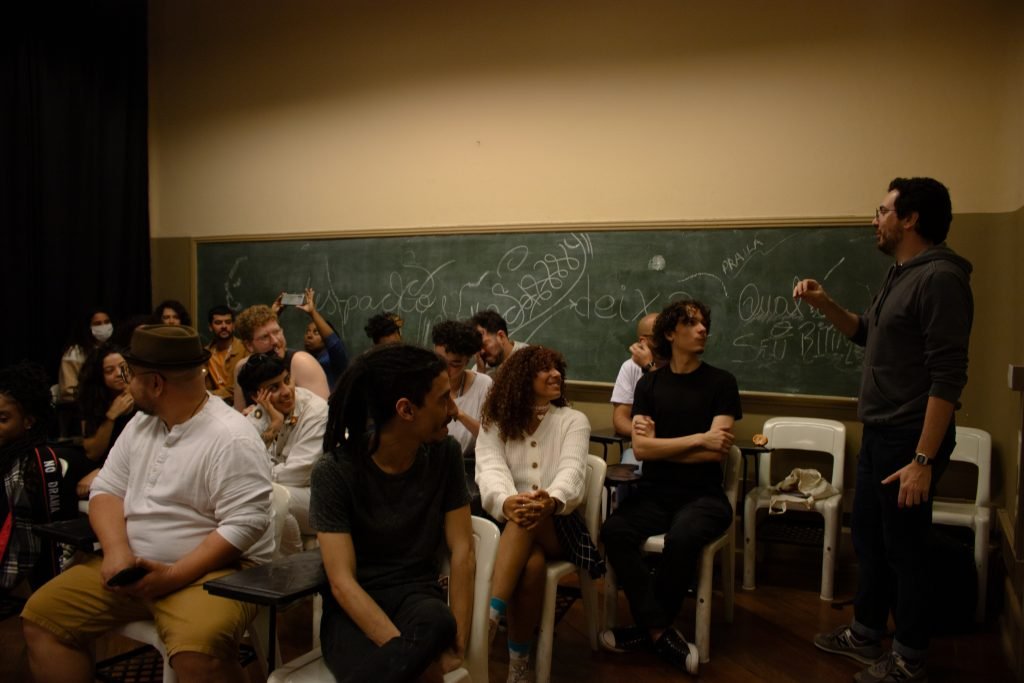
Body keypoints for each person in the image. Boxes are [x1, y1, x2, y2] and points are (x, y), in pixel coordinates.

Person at [21, 324, 274, 683]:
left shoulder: (231, 437)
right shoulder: (142, 424)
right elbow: (107, 489)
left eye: (130, 374)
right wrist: (116, 552)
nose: (126, 384)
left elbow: (244, 525)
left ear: (155, 384)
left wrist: (172, 576)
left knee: (198, 652)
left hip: (213, 571)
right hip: (133, 566)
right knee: (43, 619)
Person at [800, 178, 973, 683]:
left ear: (910, 218)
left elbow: (948, 377)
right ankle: (865, 632)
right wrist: (826, 304)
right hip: (880, 431)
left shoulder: (940, 278)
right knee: (871, 540)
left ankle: (909, 657)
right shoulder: (901, 273)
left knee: (907, 551)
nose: (874, 220)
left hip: (909, 438)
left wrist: (922, 460)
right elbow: (865, 333)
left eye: (882, 211)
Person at [310, 344, 474, 683]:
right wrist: (411, 655)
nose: (453, 410)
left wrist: (458, 639)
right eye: (443, 399)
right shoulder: (335, 471)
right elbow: (342, 583)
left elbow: (463, 550)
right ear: (406, 410)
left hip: (418, 600)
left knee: (439, 621)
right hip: (352, 611)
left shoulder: (445, 454)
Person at [599, 299, 741, 676]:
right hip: (655, 492)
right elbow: (642, 450)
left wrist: (668, 447)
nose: (702, 329)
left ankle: (648, 630)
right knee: (614, 531)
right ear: (669, 333)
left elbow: (715, 454)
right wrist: (698, 439)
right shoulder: (648, 384)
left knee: (683, 536)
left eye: (704, 322)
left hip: (704, 495)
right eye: (691, 323)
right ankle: (660, 630)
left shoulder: (721, 383)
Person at [475, 345, 600, 683]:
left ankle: (486, 622)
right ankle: (518, 665)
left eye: (558, 368)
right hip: (511, 522)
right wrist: (506, 501)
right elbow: (489, 467)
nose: (556, 374)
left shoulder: (573, 420)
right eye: (545, 368)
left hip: (559, 523)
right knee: (530, 566)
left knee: (528, 515)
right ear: (521, 378)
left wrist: (552, 499)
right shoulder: (496, 421)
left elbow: (572, 471)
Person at [238, 352, 328, 553]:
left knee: (267, 495)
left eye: (287, 380)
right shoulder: (258, 415)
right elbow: (243, 462)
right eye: (274, 388)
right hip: (286, 493)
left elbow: (300, 474)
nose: (287, 392)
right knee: (255, 495)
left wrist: (259, 475)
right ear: (257, 397)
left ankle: (276, 564)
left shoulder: (316, 410)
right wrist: (274, 426)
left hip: (319, 498)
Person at [0, 362, 77, 596]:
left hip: (25, 583)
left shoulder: (36, 464)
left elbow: (31, 549)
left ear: (28, 421)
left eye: (3, 419)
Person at [232, 304, 329, 408]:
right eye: (265, 337)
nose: (275, 341)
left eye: (276, 332)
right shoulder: (242, 368)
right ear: (249, 345)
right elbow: (239, 414)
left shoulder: (301, 362)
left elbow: (322, 412)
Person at [74, 342, 136, 497]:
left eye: (123, 367)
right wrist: (111, 416)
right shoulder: (93, 401)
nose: (119, 373)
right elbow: (93, 452)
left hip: (131, 467)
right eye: (110, 371)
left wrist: (102, 471)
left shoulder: (144, 397)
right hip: (106, 465)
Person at [431, 320, 493, 456]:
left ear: (467, 360)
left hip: (468, 463)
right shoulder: (423, 383)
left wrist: (459, 414)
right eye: (440, 360)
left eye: (455, 364)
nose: (445, 369)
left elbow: (493, 439)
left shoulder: (484, 385)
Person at [286, 288, 348, 389]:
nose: (309, 336)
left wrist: (312, 312)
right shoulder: (304, 360)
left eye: (316, 332)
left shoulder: (335, 359)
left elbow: (334, 343)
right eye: (308, 331)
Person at [58, 310, 114, 403]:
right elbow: (68, 391)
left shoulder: (114, 348)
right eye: (97, 324)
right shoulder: (74, 354)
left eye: (107, 322)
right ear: (87, 327)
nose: (104, 326)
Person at [204, 305, 247, 405]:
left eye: (228, 322)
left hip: (240, 405)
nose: (224, 326)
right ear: (210, 327)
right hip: (213, 406)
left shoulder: (245, 349)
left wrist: (208, 395)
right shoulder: (205, 354)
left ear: (233, 325)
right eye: (218, 323)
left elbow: (235, 390)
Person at [470, 310, 529, 376]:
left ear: (501, 336)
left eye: (484, 345)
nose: (481, 352)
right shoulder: (479, 369)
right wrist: (481, 373)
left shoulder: (529, 358)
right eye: (478, 348)